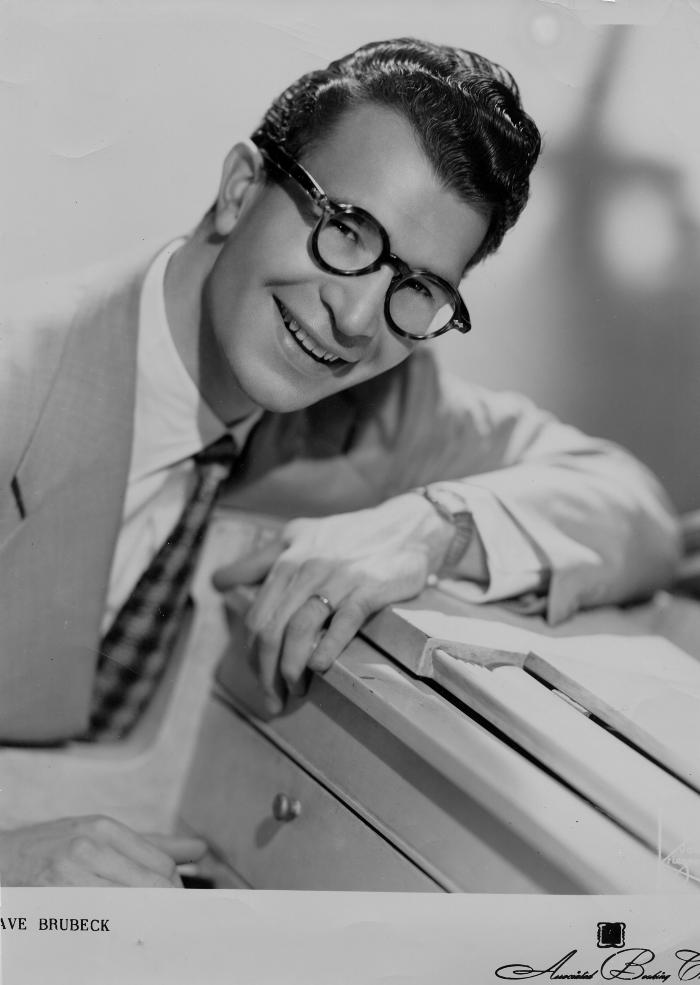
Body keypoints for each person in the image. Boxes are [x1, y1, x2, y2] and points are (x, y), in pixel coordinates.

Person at [0, 38, 679, 885]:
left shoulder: (380, 408)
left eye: (417, 288)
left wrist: (431, 526)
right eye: (348, 230)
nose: (357, 320)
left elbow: (629, 502)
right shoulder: (16, 379)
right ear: (239, 189)